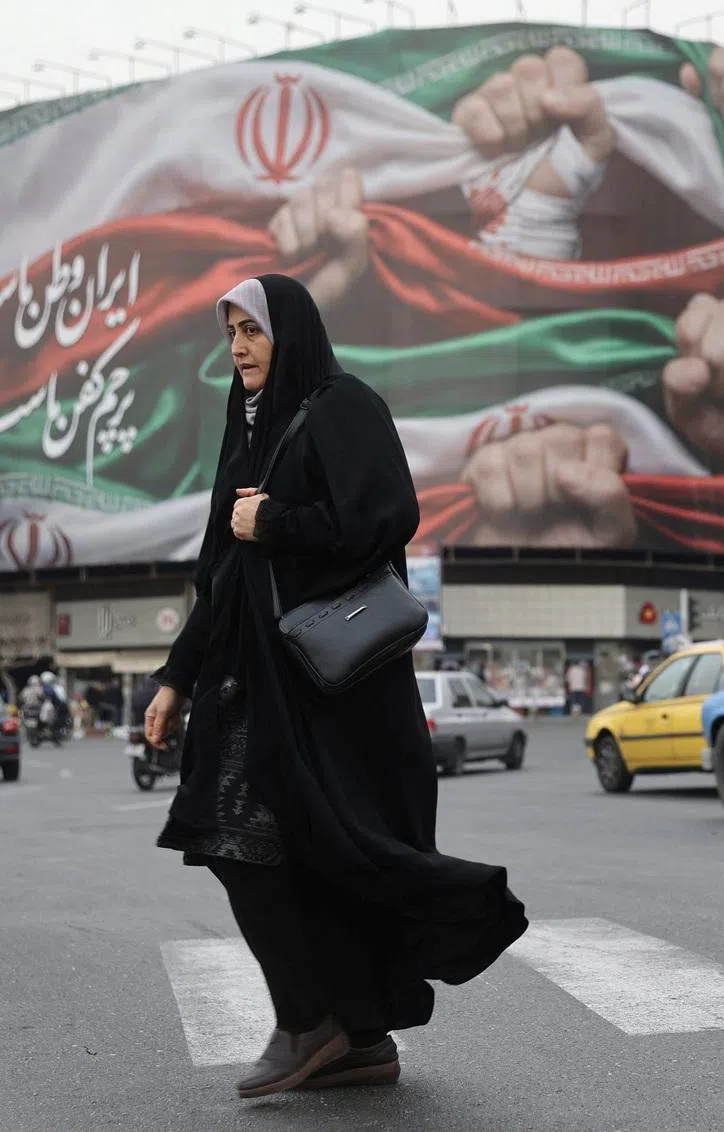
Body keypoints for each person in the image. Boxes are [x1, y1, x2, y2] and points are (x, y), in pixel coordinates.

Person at [145, 274, 528, 1100]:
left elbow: (384, 519)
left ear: (293, 331)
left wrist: (274, 521)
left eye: (252, 329)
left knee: (299, 847)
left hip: (335, 696)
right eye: (230, 334)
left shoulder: (341, 405)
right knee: (242, 842)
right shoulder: (242, 431)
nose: (239, 346)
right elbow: (221, 571)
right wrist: (175, 677)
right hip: (253, 686)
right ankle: (351, 1031)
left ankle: (319, 1024)